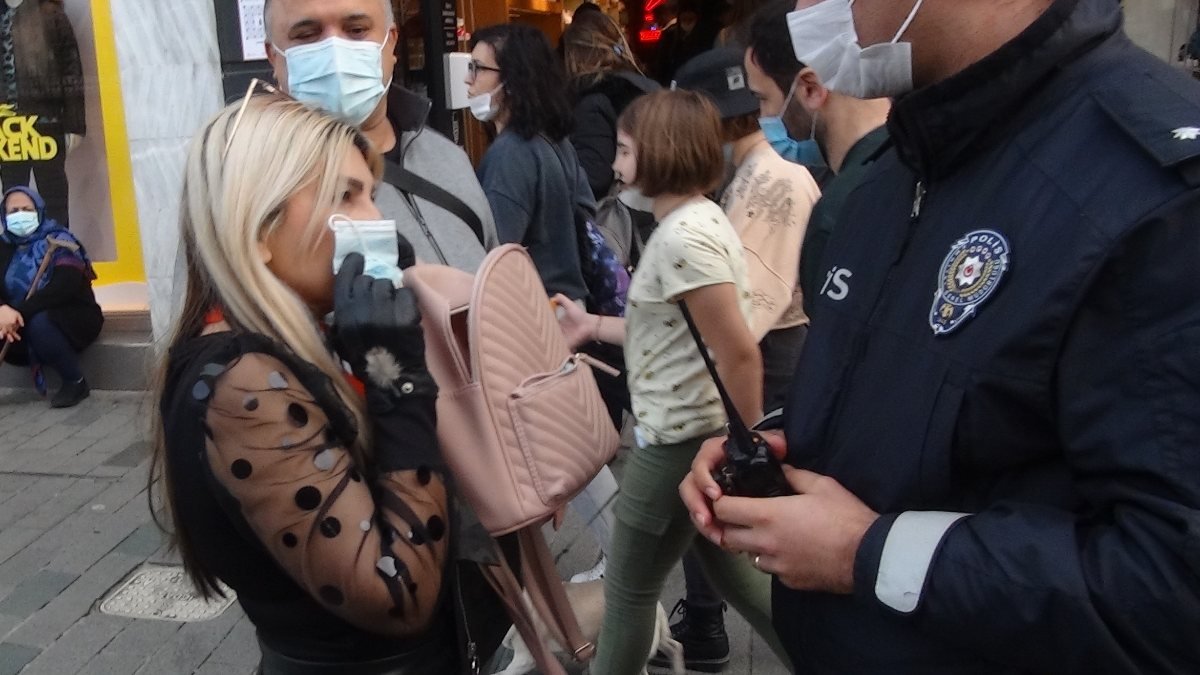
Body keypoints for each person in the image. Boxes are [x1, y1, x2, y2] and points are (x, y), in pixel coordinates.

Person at [681, 0, 1200, 671]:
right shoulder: (898, 170)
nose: (806, 9)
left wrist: (865, 552)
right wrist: (770, 444)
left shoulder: (1157, 197)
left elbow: (1170, 586)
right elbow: (918, 387)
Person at [151, 95, 493, 673]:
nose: (375, 221)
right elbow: (397, 592)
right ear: (258, 227)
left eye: (370, 195)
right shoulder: (244, 382)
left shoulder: (298, 342)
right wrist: (396, 375)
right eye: (344, 196)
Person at [555, 89, 789, 675]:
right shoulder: (692, 221)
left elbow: (739, 353)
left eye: (626, 151)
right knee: (740, 581)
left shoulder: (684, 237)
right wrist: (589, 326)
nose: (616, 165)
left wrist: (745, 445)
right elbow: (666, 327)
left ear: (659, 155)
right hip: (694, 436)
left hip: (678, 442)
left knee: (629, 589)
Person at [655, 47, 818, 673]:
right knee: (717, 511)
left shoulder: (776, 182)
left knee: (742, 508)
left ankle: (737, 630)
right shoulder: (745, 178)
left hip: (765, 362)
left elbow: (752, 311)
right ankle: (707, 623)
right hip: (748, 360)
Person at [264, 0, 498, 273]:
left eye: (356, 30)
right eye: (306, 35)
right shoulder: (261, 189)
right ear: (273, 56)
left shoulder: (448, 156)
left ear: (391, 43)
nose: (336, 53)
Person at [745, 0, 889, 315]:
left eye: (763, 99)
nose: (763, 117)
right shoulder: (928, 158)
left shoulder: (841, 214)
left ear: (810, 88)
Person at [469, 23, 589, 302]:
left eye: (477, 68)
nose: (467, 79)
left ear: (512, 80)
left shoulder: (511, 153)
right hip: (569, 304)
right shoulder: (555, 140)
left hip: (534, 314)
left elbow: (494, 254)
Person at [0, 186, 99, 408]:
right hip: (16, 325)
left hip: (69, 319)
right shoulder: (3, 246)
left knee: (40, 322)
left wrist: (17, 312)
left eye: (26, 209)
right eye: (13, 211)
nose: (19, 215)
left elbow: (65, 287)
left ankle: (75, 381)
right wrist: (2, 310)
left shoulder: (61, 240)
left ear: (39, 210)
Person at [0, 0, 86, 227]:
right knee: (13, 195)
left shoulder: (49, 14)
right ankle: (19, 257)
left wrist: (74, 124)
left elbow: (71, 71)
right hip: (7, 127)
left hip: (45, 121)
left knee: (54, 193)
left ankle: (59, 251)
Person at [563, 9, 660, 198]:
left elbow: (594, 176)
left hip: (619, 212)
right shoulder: (647, 86)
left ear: (574, 56)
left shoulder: (592, 102)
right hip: (656, 199)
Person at [653, 0, 720, 85]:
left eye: (690, 20)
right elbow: (662, 65)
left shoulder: (705, 37)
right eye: (685, 19)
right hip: (675, 83)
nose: (687, 23)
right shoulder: (670, 36)